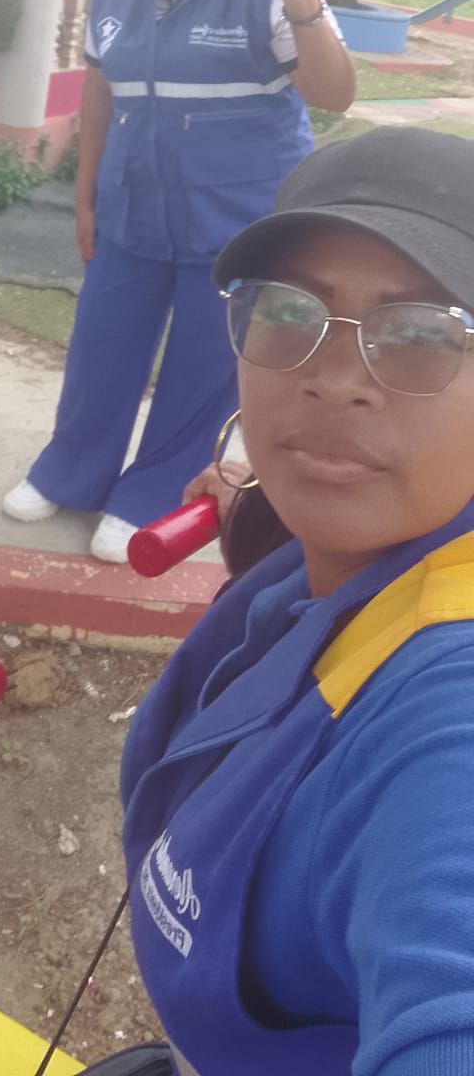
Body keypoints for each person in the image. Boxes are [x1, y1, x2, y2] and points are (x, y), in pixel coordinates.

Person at [118, 125, 474, 1076]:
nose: (332, 381)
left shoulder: (449, 716)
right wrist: (268, 519)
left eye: (423, 334)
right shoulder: (353, 547)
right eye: (289, 311)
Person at [4, 0, 354, 560]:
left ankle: (154, 491)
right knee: (102, 346)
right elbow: (100, 84)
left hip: (239, 212)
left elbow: (336, 92)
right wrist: (86, 195)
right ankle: (72, 471)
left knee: (203, 365)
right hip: (135, 201)